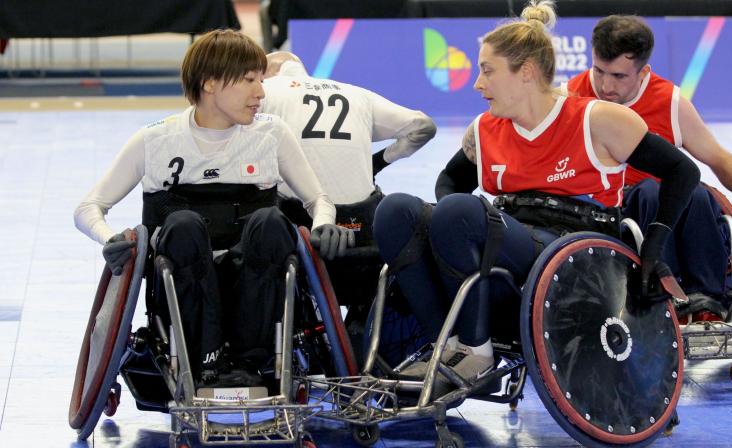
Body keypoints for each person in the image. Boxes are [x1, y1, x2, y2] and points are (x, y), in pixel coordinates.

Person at [372, 0, 700, 393]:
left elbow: (684, 171)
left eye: (487, 71)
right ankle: (446, 344)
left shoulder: (597, 118)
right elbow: (449, 180)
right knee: (396, 210)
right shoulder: (486, 129)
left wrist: (655, 247)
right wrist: (443, 232)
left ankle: (477, 353)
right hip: (510, 235)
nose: (478, 83)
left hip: (576, 252)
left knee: (460, 211)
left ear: (525, 72)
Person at [74, 29, 353, 388]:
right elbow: (88, 207)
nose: (261, 92)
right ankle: (207, 359)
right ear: (210, 84)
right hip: (182, 278)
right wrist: (109, 238)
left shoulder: (271, 134)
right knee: (184, 225)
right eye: (249, 80)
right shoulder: (156, 140)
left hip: (252, 273)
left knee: (272, 221)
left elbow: (319, 200)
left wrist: (322, 225)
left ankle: (253, 360)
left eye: (260, 80)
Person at [566, 15, 732, 319]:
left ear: (644, 72)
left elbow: (717, 158)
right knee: (652, 192)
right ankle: (665, 298)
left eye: (618, 76)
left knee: (699, 193)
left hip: (665, 205)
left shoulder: (669, 101)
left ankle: (707, 299)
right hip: (607, 210)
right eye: (598, 71)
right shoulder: (572, 96)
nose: (605, 85)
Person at [259, 51, 436, 316]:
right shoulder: (356, 93)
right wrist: (382, 160)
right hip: (363, 234)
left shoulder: (264, 91)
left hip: (304, 234)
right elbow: (423, 126)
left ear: (265, 74)